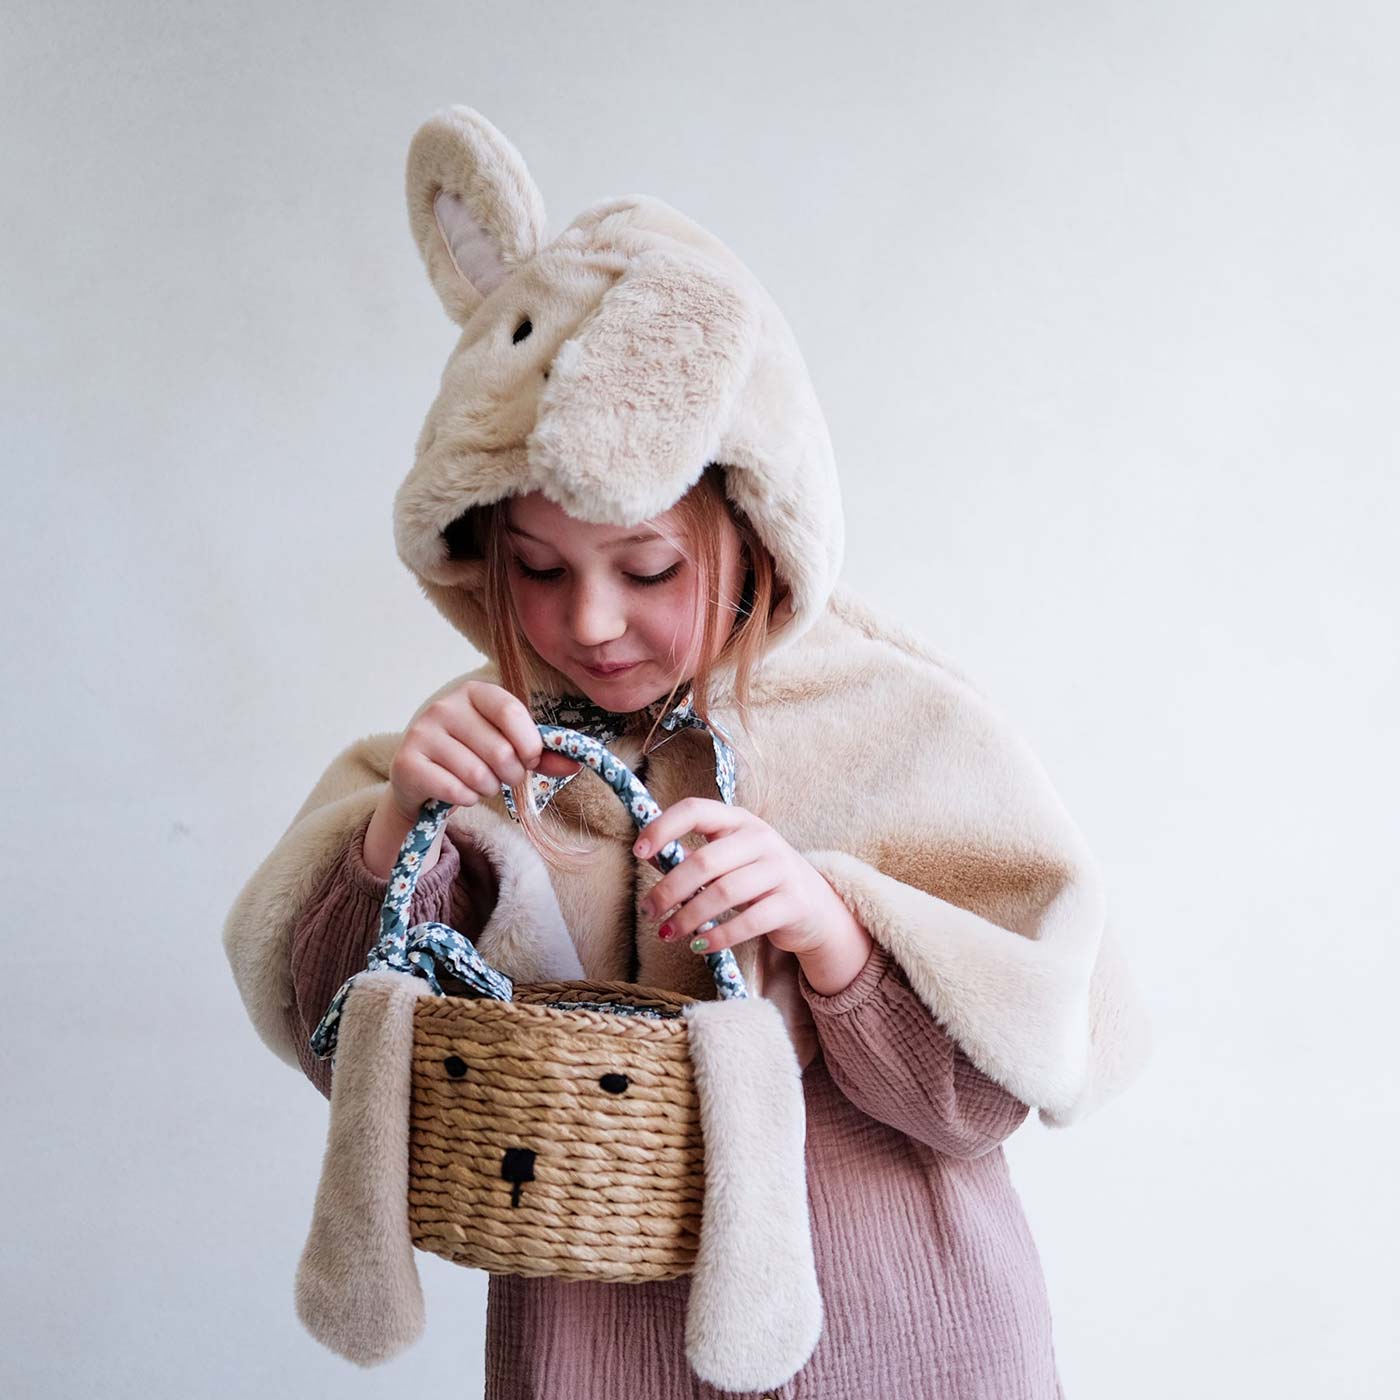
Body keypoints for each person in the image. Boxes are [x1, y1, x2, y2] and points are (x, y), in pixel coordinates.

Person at [222, 106, 1150, 1400]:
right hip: (601, 1356)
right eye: (538, 569)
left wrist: (833, 935)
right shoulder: (488, 744)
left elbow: (980, 1100)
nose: (590, 623)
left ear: (758, 530)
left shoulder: (902, 728)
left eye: (648, 569)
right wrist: (397, 837)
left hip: (894, 1343)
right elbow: (351, 1052)